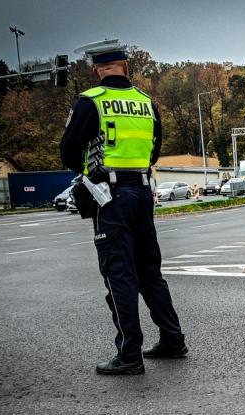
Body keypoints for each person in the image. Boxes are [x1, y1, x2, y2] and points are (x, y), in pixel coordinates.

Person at [60, 39, 186, 375]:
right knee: (150, 272)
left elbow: (69, 154)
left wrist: (94, 169)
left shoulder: (90, 102)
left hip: (110, 197)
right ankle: (173, 340)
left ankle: (129, 355)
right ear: (126, 68)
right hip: (143, 193)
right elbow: (154, 152)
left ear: (96, 70)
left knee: (120, 276)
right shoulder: (147, 103)